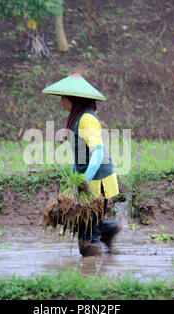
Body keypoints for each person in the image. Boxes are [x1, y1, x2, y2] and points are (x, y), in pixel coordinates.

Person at [42, 73, 122, 256]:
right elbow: (79, 152)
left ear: (74, 99)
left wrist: (85, 178)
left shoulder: (87, 119)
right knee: (86, 221)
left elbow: (98, 152)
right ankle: (110, 229)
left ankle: (92, 268)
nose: (61, 100)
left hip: (96, 180)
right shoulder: (77, 118)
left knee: (86, 228)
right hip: (86, 178)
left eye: (64, 97)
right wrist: (73, 177)